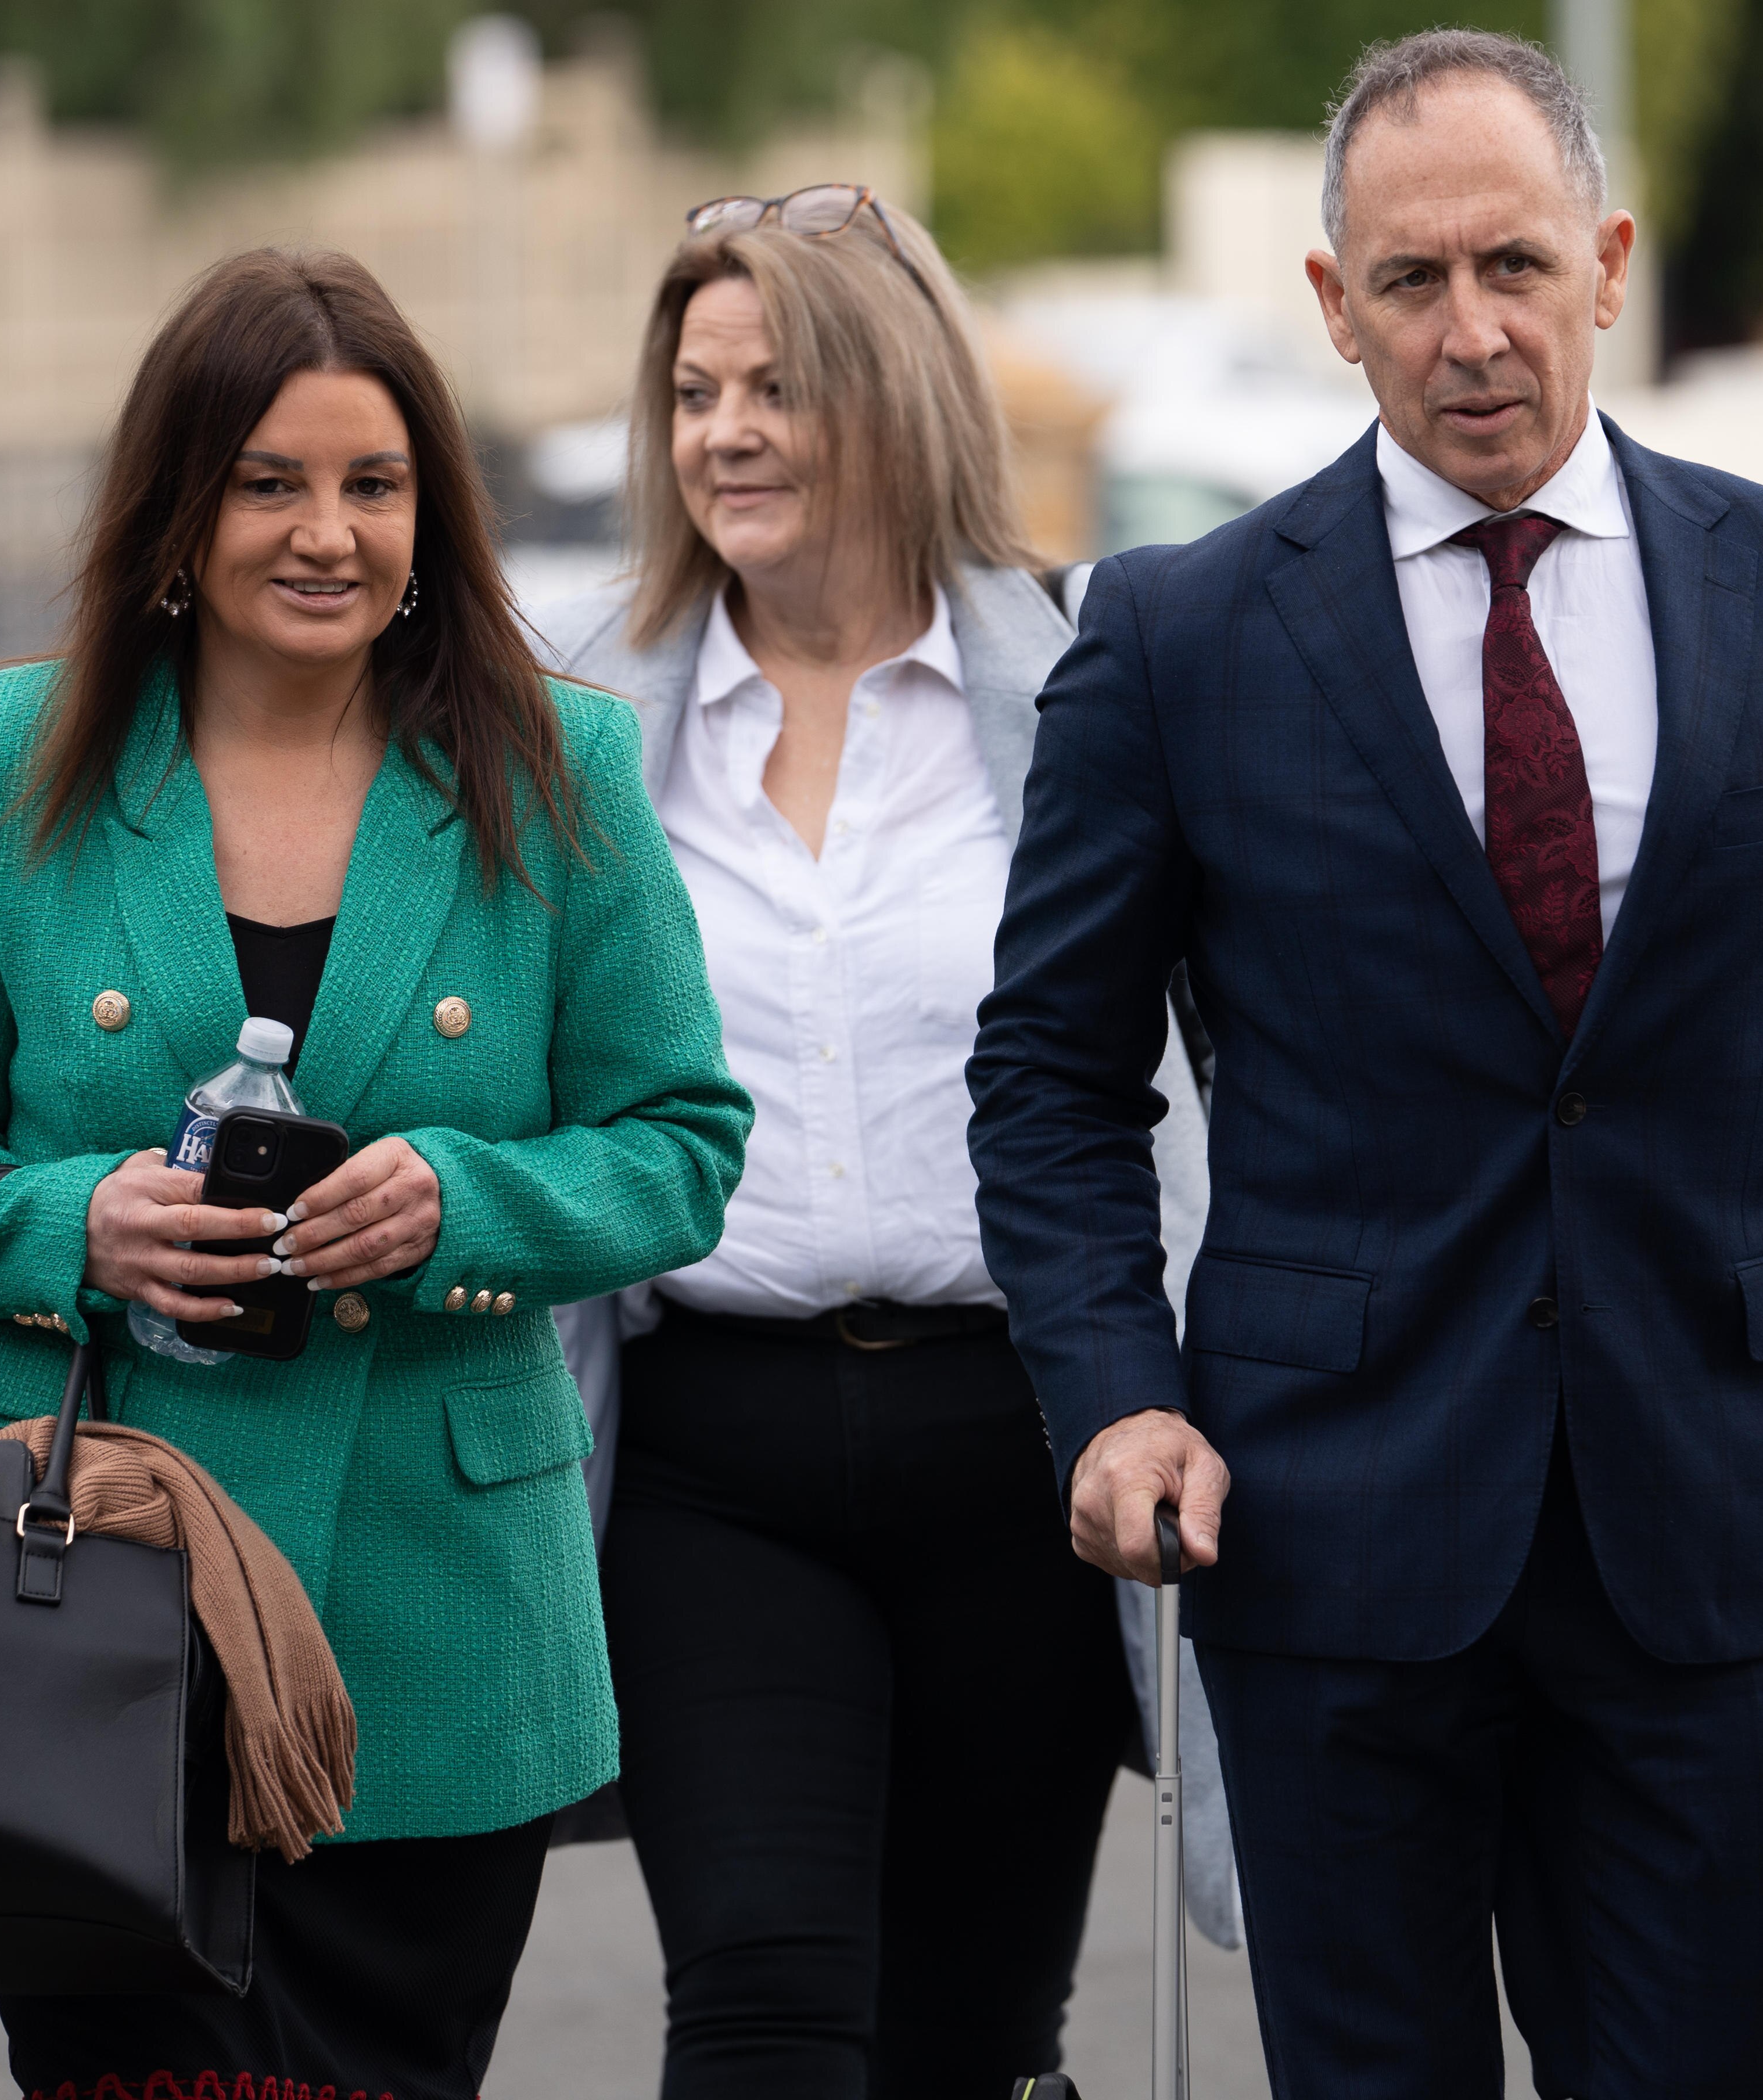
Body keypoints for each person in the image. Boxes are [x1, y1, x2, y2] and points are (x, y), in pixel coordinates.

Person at [966, 30, 1763, 2099]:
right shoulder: (1178, 636)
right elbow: (1047, 1078)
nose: (1471, 334)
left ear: (1610, 263)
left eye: (1516, 268)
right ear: (1331, 307)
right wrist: (1113, 1399)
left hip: (1710, 1545)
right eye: (1411, 282)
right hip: (1322, 1541)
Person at [0, 247, 751, 2100]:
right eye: (270, 483)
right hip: (82, 1605)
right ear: (182, 507)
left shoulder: (561, 769)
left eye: (373, 485)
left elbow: (682, 1149)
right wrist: (65, 1223)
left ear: (430, 514)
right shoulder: (11, 755)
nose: (327, 533)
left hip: (432, 1619)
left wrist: (463, 1209)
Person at [532, 186, 1219, 2100]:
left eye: (775, 386)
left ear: (897, 397)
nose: (724, 432)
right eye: (693, 391)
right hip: (709, 1459)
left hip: (1025, 1444)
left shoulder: (1089, 674)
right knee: (757, 2003)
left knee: (973, 2042)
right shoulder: (577, 702)